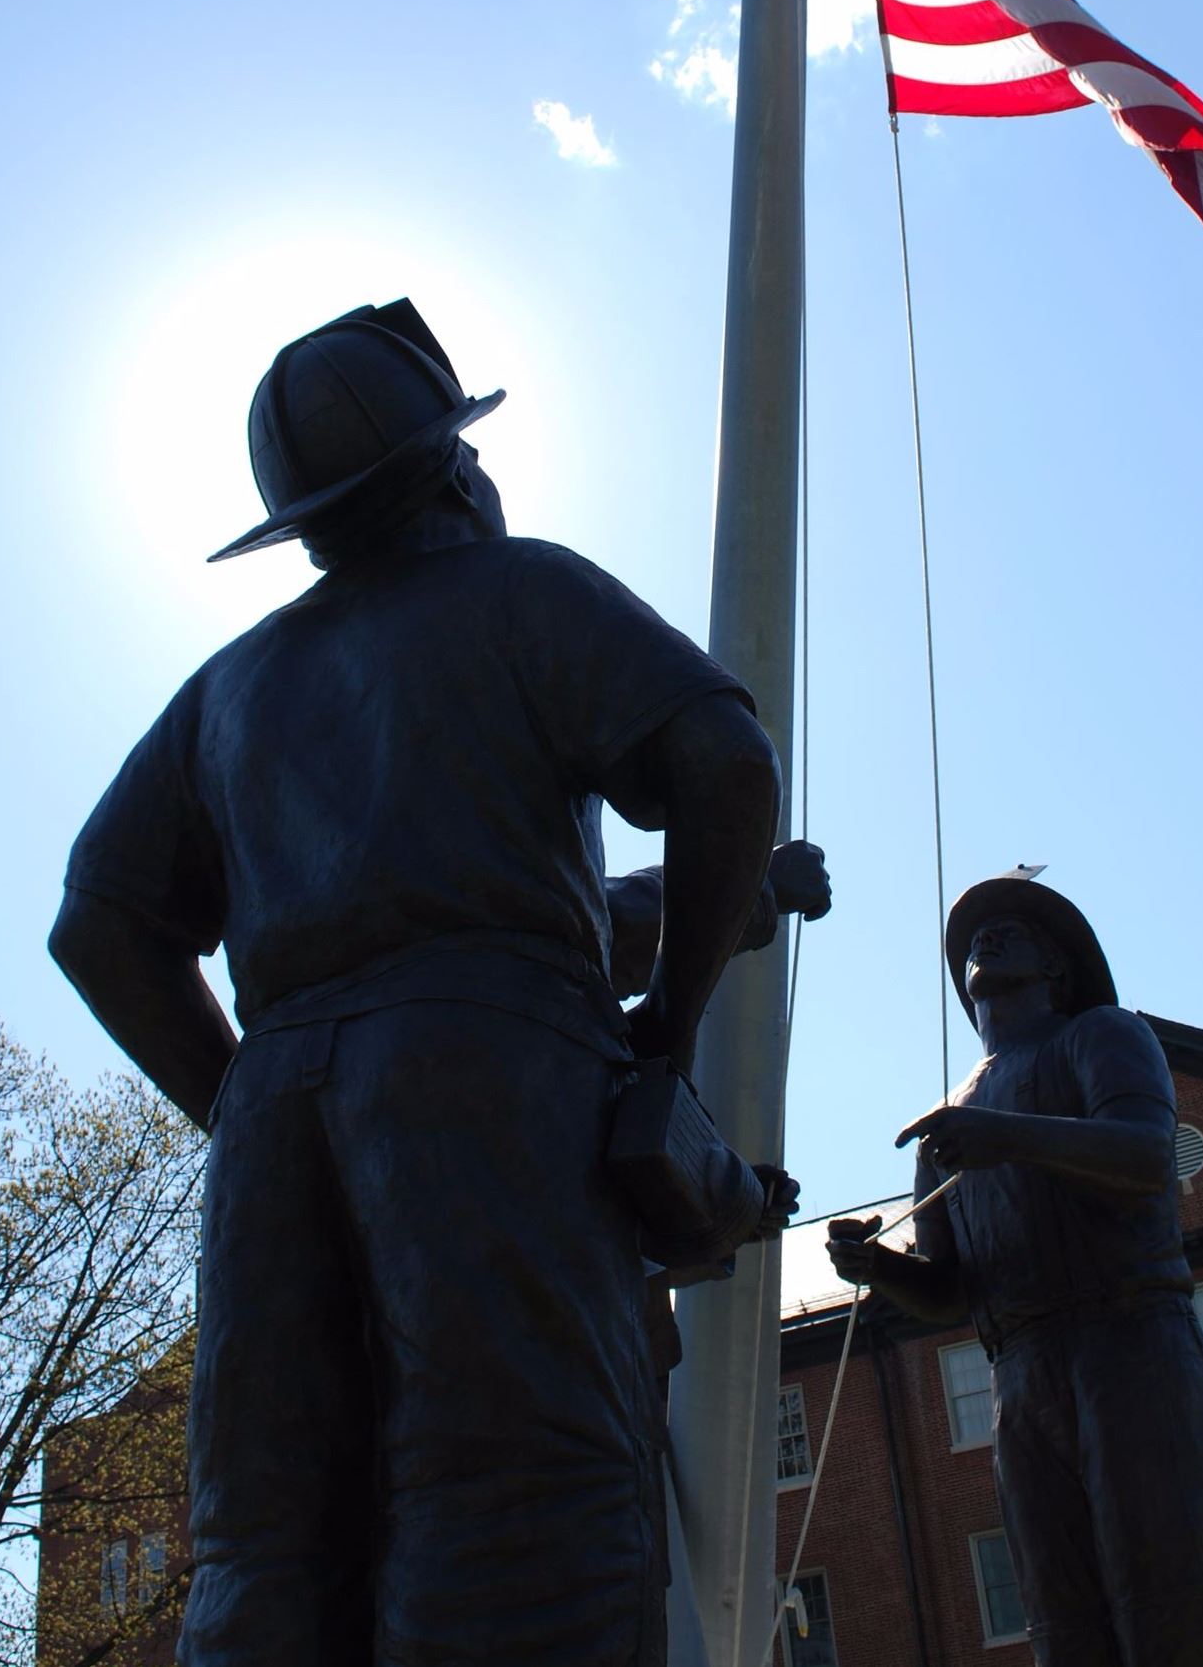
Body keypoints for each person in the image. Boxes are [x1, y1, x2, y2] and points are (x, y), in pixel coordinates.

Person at [49, 299, 792, 1667]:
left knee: (267, 1549)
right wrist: (670, 1032)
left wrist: (242, 1103)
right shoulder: (523, 592)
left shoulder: (228, 688)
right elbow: (726, 765)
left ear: (306, 521)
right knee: (522, 1520)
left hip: (276, 1122)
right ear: (456, 467)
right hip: (493, 1088)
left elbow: (97, 924)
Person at [827, 875, 1203, 1667]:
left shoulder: (1098, 1035)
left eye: (1011, 930)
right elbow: (949, 1289)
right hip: (1019, 1375)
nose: (984, 939)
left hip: (1127, 1340)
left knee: (1172, 1592)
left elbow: (1144, 1154)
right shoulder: (951, 1120)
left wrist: (1006, 1137)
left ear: (1056, 968)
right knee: (1061, 1618)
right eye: (973, 939)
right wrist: (876, 1266)